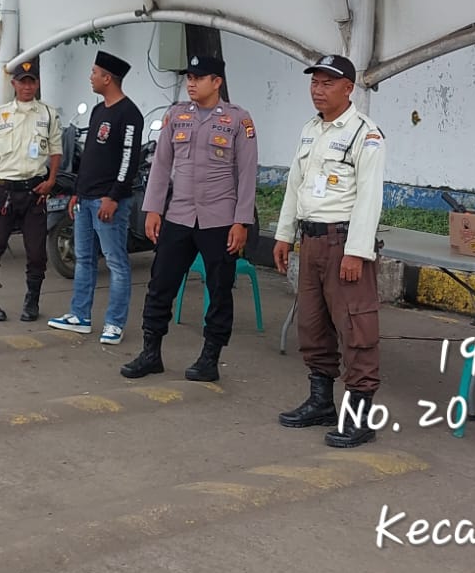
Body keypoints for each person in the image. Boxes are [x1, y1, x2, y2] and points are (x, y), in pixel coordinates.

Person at [271, 54, 387, 448]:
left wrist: (357, 252)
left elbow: (369, 197)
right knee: (313, 326)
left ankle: (359, 418)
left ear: (348, 88)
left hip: (343, 244)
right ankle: (321, 402)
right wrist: (284, 235)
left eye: (327, 83)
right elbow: (296, 185)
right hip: (311, 241)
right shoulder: (310, 130)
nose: (318, 90)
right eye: (314, 83)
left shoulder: (364, 134)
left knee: (356, 330)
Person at [120, 54, 258, 383]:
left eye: (199, 78)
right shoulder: (176, 115)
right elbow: (161, 165)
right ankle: (151, 352)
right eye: (189, 78)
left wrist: (241, 222)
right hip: (179, 215)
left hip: (220, 220)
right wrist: (153, 210)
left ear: (217, 82)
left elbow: (247, 173)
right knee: (160, 285)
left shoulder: (238, 120)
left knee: (219, 290)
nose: (191, 84)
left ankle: (210, 357)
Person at [49, 51, 145, 344]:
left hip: (108, 202)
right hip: (86, 199)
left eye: (94, 72)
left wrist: (114, 197)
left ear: (108, 78)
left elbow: (129, 160)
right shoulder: (97, 110)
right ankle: (80, 315)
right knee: (84, 258)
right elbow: (90, 156)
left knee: (116, 262)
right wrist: (77, 193)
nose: (90, 77)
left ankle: (114, 323)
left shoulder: (129, 114)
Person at [0, 59, 62, 323]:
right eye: (22, 82)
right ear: (13, 84)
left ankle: (32, 300)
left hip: (34, 192)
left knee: (36, 253)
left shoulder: (48, 114)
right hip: (4, 192)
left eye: (31, 82)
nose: (27, 87)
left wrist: (51, 180)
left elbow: (56, 150)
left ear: (37, 84)